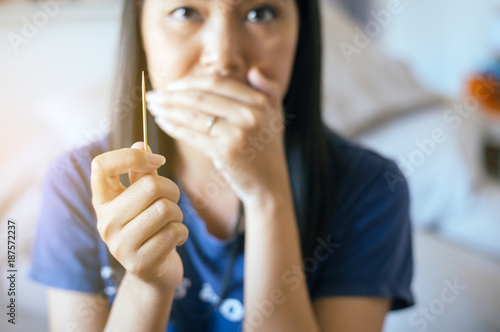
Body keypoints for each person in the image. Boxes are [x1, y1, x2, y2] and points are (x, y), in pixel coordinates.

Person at [29, 0, 414, 331]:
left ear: (302, 32)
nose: (224, 56)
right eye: (185, 12)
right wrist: (147, 285)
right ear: (141, 28)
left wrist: (268, 198)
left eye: (260, 13)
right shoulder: (79, 182)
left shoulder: (372, 186)